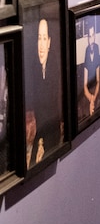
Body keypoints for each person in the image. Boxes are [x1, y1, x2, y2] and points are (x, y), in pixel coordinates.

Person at [25, 18, 62, 169]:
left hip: (50, 131)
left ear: (49, 43)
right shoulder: (32, 67)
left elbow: (53, 109)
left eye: (44, 38)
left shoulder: (54, 66)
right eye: (39, 38)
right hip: (36, 132)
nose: (41, 44)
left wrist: (42, 142)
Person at [78, 19, 100, 118]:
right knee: (86, 108)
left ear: (95, 37)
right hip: (87, 90)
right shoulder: (86, 51)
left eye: (92, 36)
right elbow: (84, 85)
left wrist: (94, 97)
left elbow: (98, 80)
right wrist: (90, 97)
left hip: (95, 90)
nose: (90, 39)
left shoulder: (97, 49)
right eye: (89, 36)